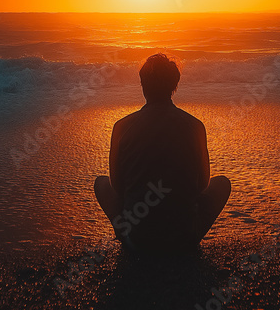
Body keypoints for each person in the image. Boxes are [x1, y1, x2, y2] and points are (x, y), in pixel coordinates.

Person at [94, 53, 231, 254]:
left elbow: (117, 186)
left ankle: (129, 234)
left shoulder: (121, 126)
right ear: (174, 86)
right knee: (222, 183)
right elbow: (202, 185)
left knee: (101, 183)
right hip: (184, 239)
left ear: (143, 84)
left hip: (138, 240)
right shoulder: (195, 126)